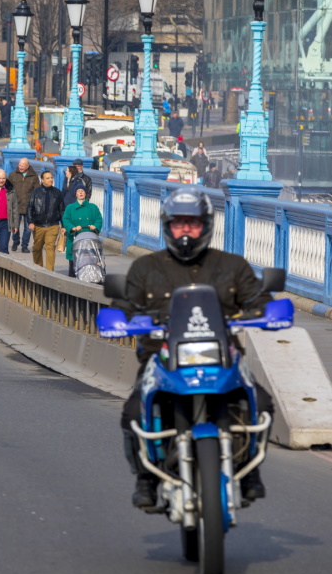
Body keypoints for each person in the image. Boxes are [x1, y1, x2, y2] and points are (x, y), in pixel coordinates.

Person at [116, 188, 272, 508]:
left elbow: (260, 302)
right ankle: (145, 479)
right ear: (167, 226)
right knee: (132, 411)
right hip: (161, 358)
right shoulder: (145, 268)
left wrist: (265, 313)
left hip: (222, 356)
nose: (186, 230)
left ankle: (249, 473)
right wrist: (124, 319)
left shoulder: (232, 266)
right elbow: (126, 307)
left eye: (193, 223)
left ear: (206, 225)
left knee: (263, 402)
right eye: (179, 223)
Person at [26, 171, 65, 271]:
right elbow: (30, 207)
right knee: (37, 248)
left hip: (53, 225)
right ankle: (38, 269)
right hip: (38, 225)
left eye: (51, 177)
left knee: (50, 247)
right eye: (47, 178)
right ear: (42, 180)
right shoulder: (36, 192)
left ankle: (49, 272)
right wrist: (30, 221)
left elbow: (62, 210)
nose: (50, 180)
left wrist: (63, 226)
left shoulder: (57, 193)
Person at [61, 186, 102, 278]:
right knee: (73, 264)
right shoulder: (70, 208)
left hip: (89, 240)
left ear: (85, 193)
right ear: (76, 194)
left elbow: (99, 219)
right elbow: (66, 219)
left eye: (82, 191)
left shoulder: (93, 207)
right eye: (78, 191)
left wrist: (95, 226)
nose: (80, 193)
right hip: (75, 239)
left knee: (90, 262)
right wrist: (73, 228)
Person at [9, 158, 40, 254]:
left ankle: (24, 245)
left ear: (27, 166)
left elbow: (37, 191)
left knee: (28, 228)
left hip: (29, 207)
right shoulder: (13, 175)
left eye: (22, 165)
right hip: (16, 205)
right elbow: (8, 189)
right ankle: (15, 241)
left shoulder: (34, 176)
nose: (20, 166)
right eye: (19, 164)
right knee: (15, 226)